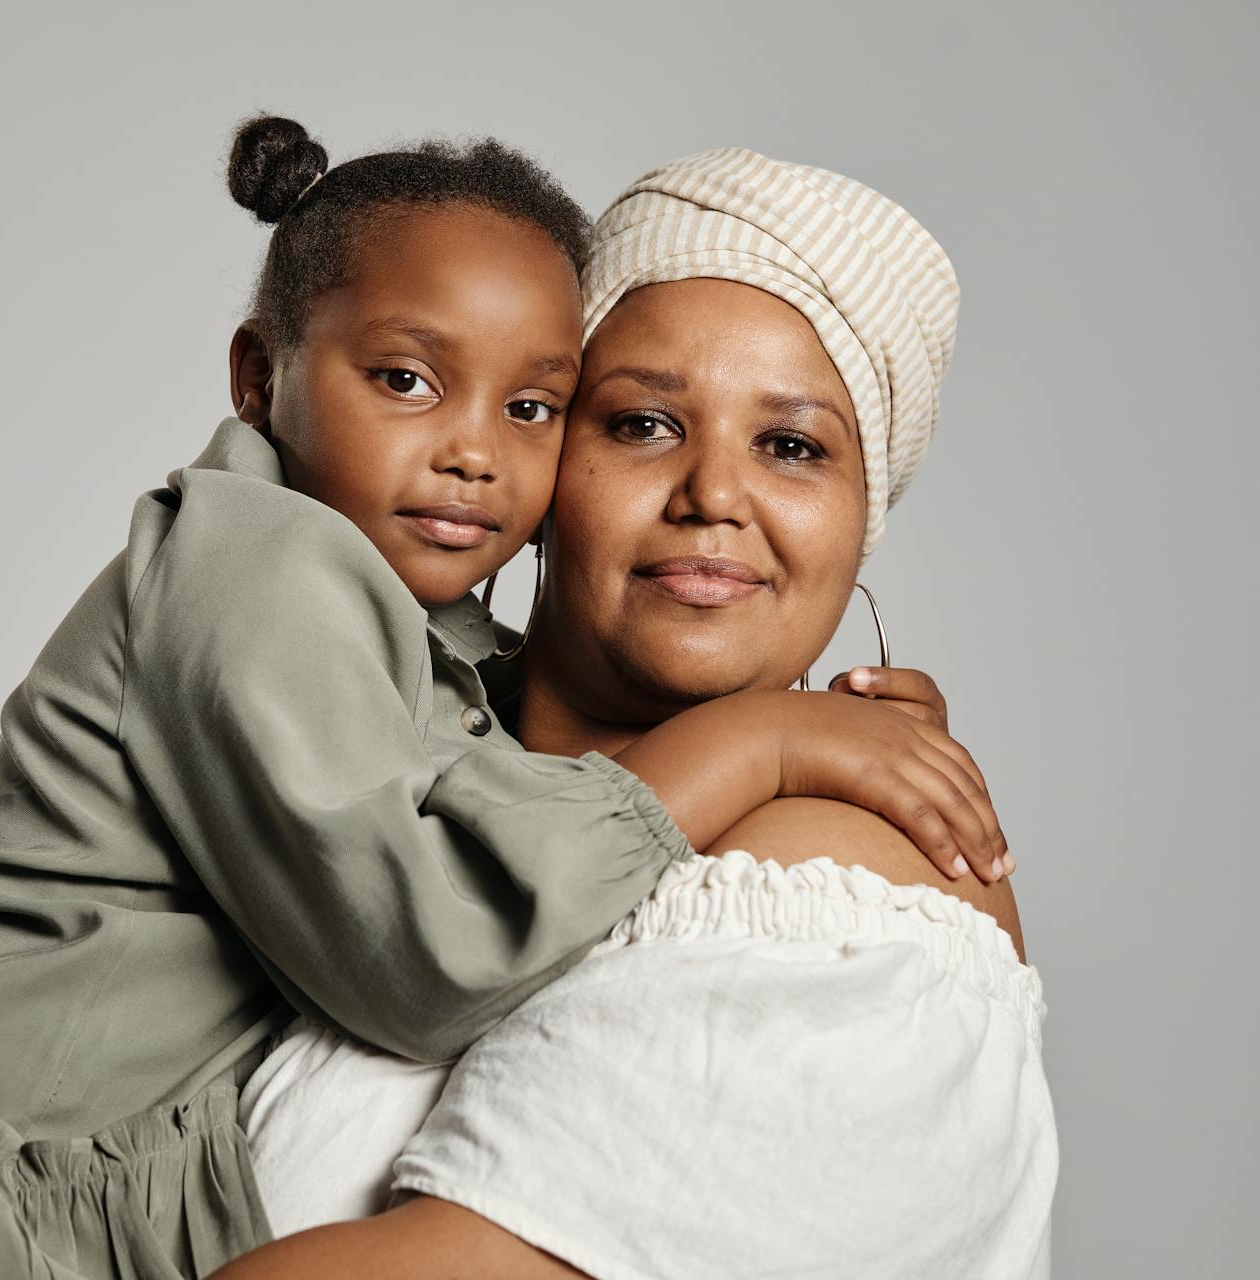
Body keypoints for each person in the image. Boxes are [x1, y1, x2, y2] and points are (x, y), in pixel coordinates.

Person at [0, 123, 1005, 1278]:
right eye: (637, 421)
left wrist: (831, 743)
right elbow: (428, 935)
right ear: (256, 376)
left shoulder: (817, 911)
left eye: (528, 405)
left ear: (865, 515)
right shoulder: (262, 573)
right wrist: (762, 740)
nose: (470, 453)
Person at [224, 149, 1055, 1280]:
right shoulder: (359, 749)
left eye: (793, 445)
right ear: (539, 453)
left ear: (860, 524)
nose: (713, 493)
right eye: (643, 423)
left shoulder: (847, 889)